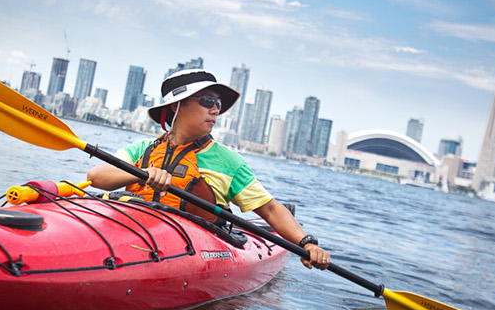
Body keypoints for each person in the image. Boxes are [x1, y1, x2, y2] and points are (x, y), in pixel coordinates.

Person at [86, 69, 332, 270]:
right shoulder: (141, 149)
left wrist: (307, 243)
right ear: (177, 105)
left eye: (218, 104)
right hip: (130, 230)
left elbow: (269, 208)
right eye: (207, 102)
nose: (216, 110)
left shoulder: (228, 162)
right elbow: (96, 178)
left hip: (188, 249)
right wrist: (143, 172)